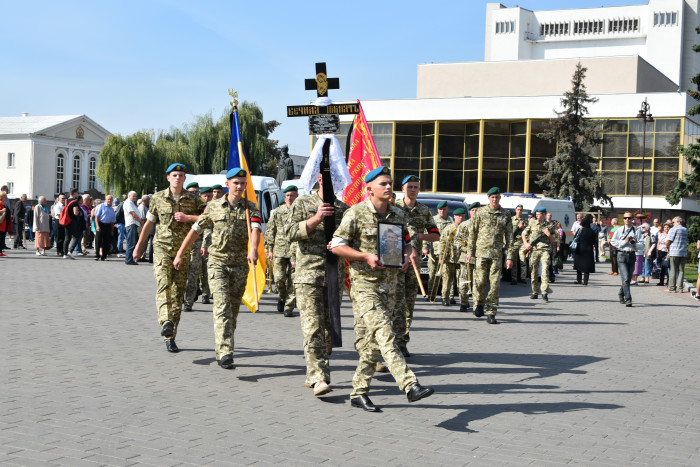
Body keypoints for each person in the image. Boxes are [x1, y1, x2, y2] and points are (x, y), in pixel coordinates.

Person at [331, 166, 433, 412]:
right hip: (365, 286)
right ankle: (409, 385)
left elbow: (408, 245)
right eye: (383, 184)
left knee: (372, 343)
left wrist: (409, 256)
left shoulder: (398, 215)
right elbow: (336, 245)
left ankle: (359, 392)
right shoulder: (355, 214)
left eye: (389, 183)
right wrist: (364, 256)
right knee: (385, 333)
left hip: (391, 286)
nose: (388, 187)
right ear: (369, 189)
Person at [174, 168, 261, 370]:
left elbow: (255, 229)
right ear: (227, 184)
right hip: (217, 263)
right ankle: (225, 351)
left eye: (243, 183)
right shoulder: (213, 207)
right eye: (236, 183)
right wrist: (180, 253)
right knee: (221, 306)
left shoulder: (251, 208)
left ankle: (225, 344)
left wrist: (254, 249)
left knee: (233, 310)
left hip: (240, 265)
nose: (239, 187)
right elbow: (196, 231)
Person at [286, 174, 349, 396]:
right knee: (312, 328)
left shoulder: (344, 208)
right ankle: (318, 376)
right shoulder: (303, 203)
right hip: (308, 276)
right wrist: (316, 219)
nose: (335, 182)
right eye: (330, 178)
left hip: (334, 276)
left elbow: (354, 239)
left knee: (329, 331)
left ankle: (318, 370)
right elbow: (290, 232)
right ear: (320, 179)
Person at [133, 163, 205, 353]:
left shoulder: (194, 199)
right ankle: (165, 321)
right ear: (168, 178)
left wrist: (188, 217)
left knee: (177, 293)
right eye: (174, 175)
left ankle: (171, 335)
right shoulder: (157, 198)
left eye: (181, 175)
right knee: (164, 285)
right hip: (162, 249)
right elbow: (149, 223)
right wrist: (139, 246)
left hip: (183, 251)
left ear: (185, 178)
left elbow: (208, 218)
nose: (178, 178)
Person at [392, 176, 439, 357]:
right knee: (394, 302)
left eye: (416, 187)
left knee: (408, 304)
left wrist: (418, 237)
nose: (413, 190)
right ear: (403, 189)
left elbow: (435, 235)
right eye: (410, 187)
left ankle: (402, 341)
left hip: (414, 264)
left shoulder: (424, 210)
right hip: (395, 261)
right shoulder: (394, 207)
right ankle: (390, 341)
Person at [466, 187, 514, 324]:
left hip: (496, 255)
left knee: (495, 284)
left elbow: (510, 236)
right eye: (492, 197)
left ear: (500, 198)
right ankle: (479, 303)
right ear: (488, 198)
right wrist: (470, 251)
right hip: (481, 253)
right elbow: (473, 233)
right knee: (480, 281)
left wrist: (509, 256)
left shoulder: (505, 214)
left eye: (497, 197)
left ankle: (491, 312)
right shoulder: (481, 212)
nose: (494, 199)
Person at [265, 185, 299, 318]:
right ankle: (282, 297)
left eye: (292, 195)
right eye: (287, 196)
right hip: (279, 250)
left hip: (295, 251)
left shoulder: (301, 211)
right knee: (279, 278)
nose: (290, 198)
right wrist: (270, 248)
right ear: (285, 198)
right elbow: (270, 230)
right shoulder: (278, 212)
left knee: (293, 280)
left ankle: (289, 306)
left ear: (297, 196)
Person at [522, 207, 555, 302]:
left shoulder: (550, 225)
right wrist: (526, 243)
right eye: (536, 214)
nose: (537, 216)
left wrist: (548, 234)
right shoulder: (532, 223)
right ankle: (535, 291)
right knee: (533, 271)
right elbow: (524, 234)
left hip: (545, 250)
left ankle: (544, 292)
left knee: (544, 270)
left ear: (544, 215)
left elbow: (554, 240)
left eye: (539, 214)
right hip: (534, 250)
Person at [610, 211, 642, 307]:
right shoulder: (619, 230)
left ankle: (621, 293)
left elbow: (643, 244)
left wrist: (635, 244)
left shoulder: (637, 231)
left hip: (632, 255)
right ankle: (628, 299)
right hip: (621, 255)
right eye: (625, 218)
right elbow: (613, 242)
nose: (627, 219)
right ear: (623, 219)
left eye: (629, 218)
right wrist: (624, 241)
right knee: (625, 278)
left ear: (632, 219)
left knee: (627, 279)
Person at [182, 183, 205, 312]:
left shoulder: (201, 204)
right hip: (180, 243)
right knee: (180, 273)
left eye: (196, 192)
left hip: (196, 243)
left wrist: (188, 218)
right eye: (191, 192)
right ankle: (179, 298)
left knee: (193, 273)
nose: (194, 194)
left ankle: (189, 302)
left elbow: (207, 219)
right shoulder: (181, 203)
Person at [454, 202, 480, 313]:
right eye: (473, 210)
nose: (475, 212)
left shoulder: (483, 225)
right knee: (464, 281)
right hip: (465, 258)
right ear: (469, 212)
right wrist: (465, 248)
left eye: (477, 210)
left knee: (478, 282)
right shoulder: (464, 225)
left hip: (479, 257)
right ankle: (464, 302)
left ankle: (477, 305)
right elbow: (456, 240)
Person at [438, 208, 465, 306]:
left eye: (462, 216)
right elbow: (442, 243)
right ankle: (445, 298)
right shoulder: (448, 229)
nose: (460, 218)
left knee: (462, 280)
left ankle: (463, 300)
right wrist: (441, 257)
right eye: (458, 216)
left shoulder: (466, 228)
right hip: (450, 258)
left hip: (462, 258)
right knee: (447, 279)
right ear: (454, 216)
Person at [427, 201, 451, 301]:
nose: (442, 211)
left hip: (446, 252)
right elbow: (426, 233)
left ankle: (445, 297)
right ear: (437, 210)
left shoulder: (451, 221)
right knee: (432, 274)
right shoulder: (433, 220)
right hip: (434, 252)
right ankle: (431, 294)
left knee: (446, 275)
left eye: (444, 209)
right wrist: (425, 248)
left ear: (447, 210)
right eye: (440, 209)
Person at [665, 216, 688, 293]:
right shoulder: (685, 230)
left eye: (673, 222)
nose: (672, 224)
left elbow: (669, 240)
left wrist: (666, 246)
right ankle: (680, 288)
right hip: (683, 252)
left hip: (674, 252)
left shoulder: (673, 229)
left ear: (678, 222)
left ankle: (672, 288)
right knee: (681, 271)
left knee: (673, 270)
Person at [572, 215, 596, 285]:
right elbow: (594, 241)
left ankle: (579, 280)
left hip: (579, 249)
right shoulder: (592, 231)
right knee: (586, 266)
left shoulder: (580, 230)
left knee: (579, 265)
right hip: (588, 250)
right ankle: (585, 281)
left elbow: (575, 239)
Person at [123, 191, 144, 265]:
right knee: (131, 243)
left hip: (134, 224)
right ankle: (129, 259)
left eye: (135, 196)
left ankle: (130, 258)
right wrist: (141, 221)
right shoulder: (128, 203)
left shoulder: (132, 203)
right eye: (133, 196)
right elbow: (133, 214)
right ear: (129, 196)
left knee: (133, 242)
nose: (135, 197)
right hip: (131, 224)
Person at [93, 195, 116, 261]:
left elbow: (112, 221)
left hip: (108, 225)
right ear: (105, 199)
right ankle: (97, 255)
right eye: (108, 199)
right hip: (101, 224)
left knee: (107, 241)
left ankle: (104, 256)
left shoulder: (112, 209)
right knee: (98, 240)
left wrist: (112, 230)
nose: (109, 201)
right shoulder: (100, 206)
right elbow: (96, 217)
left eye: (111, 199)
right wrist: (97, 226)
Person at [62, 188, 82, 259]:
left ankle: (64, 254)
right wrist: (80, 213)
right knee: (76, 237)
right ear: (74, 193)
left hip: (66, 220)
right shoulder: (74, 202)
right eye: (77, 193)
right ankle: (70, 251)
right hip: (73, 221)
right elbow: (75, 213)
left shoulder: (66, 200)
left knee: (67, 237)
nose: (77, 194)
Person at [510, 204, 527, 285]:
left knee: (523, 260)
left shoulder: (525, 221)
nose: (519, 211)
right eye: (518, 209)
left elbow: (528, 232)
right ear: (515, 210)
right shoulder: (512, 220)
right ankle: (514, 278)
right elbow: (509, 232)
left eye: (521, 209)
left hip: (522, 243)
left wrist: (523, 228)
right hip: (514, 242)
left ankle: (523, 277)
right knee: (514, 261)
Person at [656, 222, 670, 286]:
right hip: (661, 251)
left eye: (668, 227)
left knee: (667, 267)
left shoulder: (671, 235)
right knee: (662, 267)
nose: (666, 228)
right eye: (665, 227)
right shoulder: (661, 234)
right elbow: (658, 243)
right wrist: (657, 252)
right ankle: (661, 281)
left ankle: (668, 281)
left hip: (668, 252)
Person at [0, 191, 12, 257]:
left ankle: (0, 251)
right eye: (4, 195)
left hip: (5, 224)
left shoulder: (6, 204)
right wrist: (2, 210)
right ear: (1, 197)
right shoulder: (0, 203)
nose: (6, 196)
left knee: (2, 238)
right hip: (0, 223)